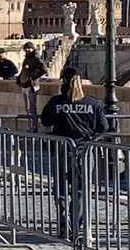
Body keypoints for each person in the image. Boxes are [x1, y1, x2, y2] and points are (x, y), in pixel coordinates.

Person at [41, 67, 113, 240]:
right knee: (81, 191)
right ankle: (76, 228)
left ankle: (64, 226)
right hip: (85, 152)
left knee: (61, 191)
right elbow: (103, 128)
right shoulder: (93, 103)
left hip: (63, 150)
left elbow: (45, 121)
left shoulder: (57, 102)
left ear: (64, 81)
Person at [17, 42, 47, 132]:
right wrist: (20, 79)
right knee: (27, 108)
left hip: (31, 86)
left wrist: (33, 77)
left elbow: (44, 69)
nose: (27, 50)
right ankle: (31, 126)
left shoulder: (35, 58)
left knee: (32, 108)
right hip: (25, 86)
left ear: (32, 49)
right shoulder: (27, 58)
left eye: (29, 48)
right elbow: (24, 70)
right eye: (26, 48)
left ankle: (34, 128)